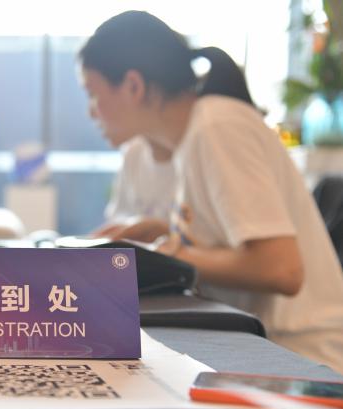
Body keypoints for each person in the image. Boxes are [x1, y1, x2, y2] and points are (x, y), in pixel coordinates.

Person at [79, 10, 343, 372]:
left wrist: (165, 254)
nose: (91, 113)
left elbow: (282, 270)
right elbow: (233, 245)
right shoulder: (190, 137)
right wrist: (162, 232)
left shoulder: (217, 126)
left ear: (133, 86)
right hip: (260, 342)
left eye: (93, 94)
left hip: (303, 355)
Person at [92, 136, 176, 243]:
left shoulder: (192, 148)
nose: (93, 119)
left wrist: (166, 233)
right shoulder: (134, 151)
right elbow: (118, 217)